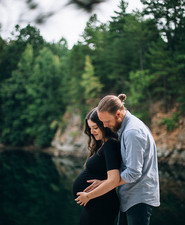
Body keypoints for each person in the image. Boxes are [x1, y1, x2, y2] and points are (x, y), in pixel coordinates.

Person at [91, 94, 160, 225]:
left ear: (118, 114)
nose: (104, 126)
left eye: (106, 121)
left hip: (139, 198)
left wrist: (107, 184)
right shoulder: (126, 127)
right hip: (130, 196)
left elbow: (134, 172)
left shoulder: (132, 132)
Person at [73, 107, 123, 225]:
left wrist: (88, 196)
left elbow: (114, 179)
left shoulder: (110, 144)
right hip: (94, 203)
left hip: (101, 204)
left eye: (95, 128)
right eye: (90, 128)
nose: (92, 131)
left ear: (104, 125)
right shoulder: (102, 144)